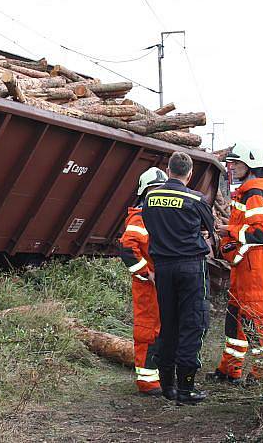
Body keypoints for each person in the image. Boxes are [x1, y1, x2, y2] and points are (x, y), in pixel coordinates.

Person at [141, 151, 215, 405]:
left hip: (163, 268)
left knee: (168, 324)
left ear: (168, 171)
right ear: (189, 173)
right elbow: (209, 229)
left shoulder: (150, 197)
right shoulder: (196, 199)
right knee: (193, 324)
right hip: (190, 267)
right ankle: (186, 389)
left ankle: (167, 386)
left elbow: (149, 226)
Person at [208, 143, 263, 384]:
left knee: (257, 321)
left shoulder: (255, 193)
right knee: (235, 319)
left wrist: (229, 229)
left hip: (255, 264)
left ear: (251, 165)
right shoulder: (250, 191)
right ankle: (229, 370)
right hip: (246, 264)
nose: (232, 167)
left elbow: (260, 233)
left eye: (237, 163)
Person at [119, 167, 168, 396]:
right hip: (148, 286)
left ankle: (161, 375)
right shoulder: (140, 217)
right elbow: (128, 248)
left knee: (165, 330)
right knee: (148, 331)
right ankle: (147, 381)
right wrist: (146, 273)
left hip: (165, 283)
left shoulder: (162, 215)